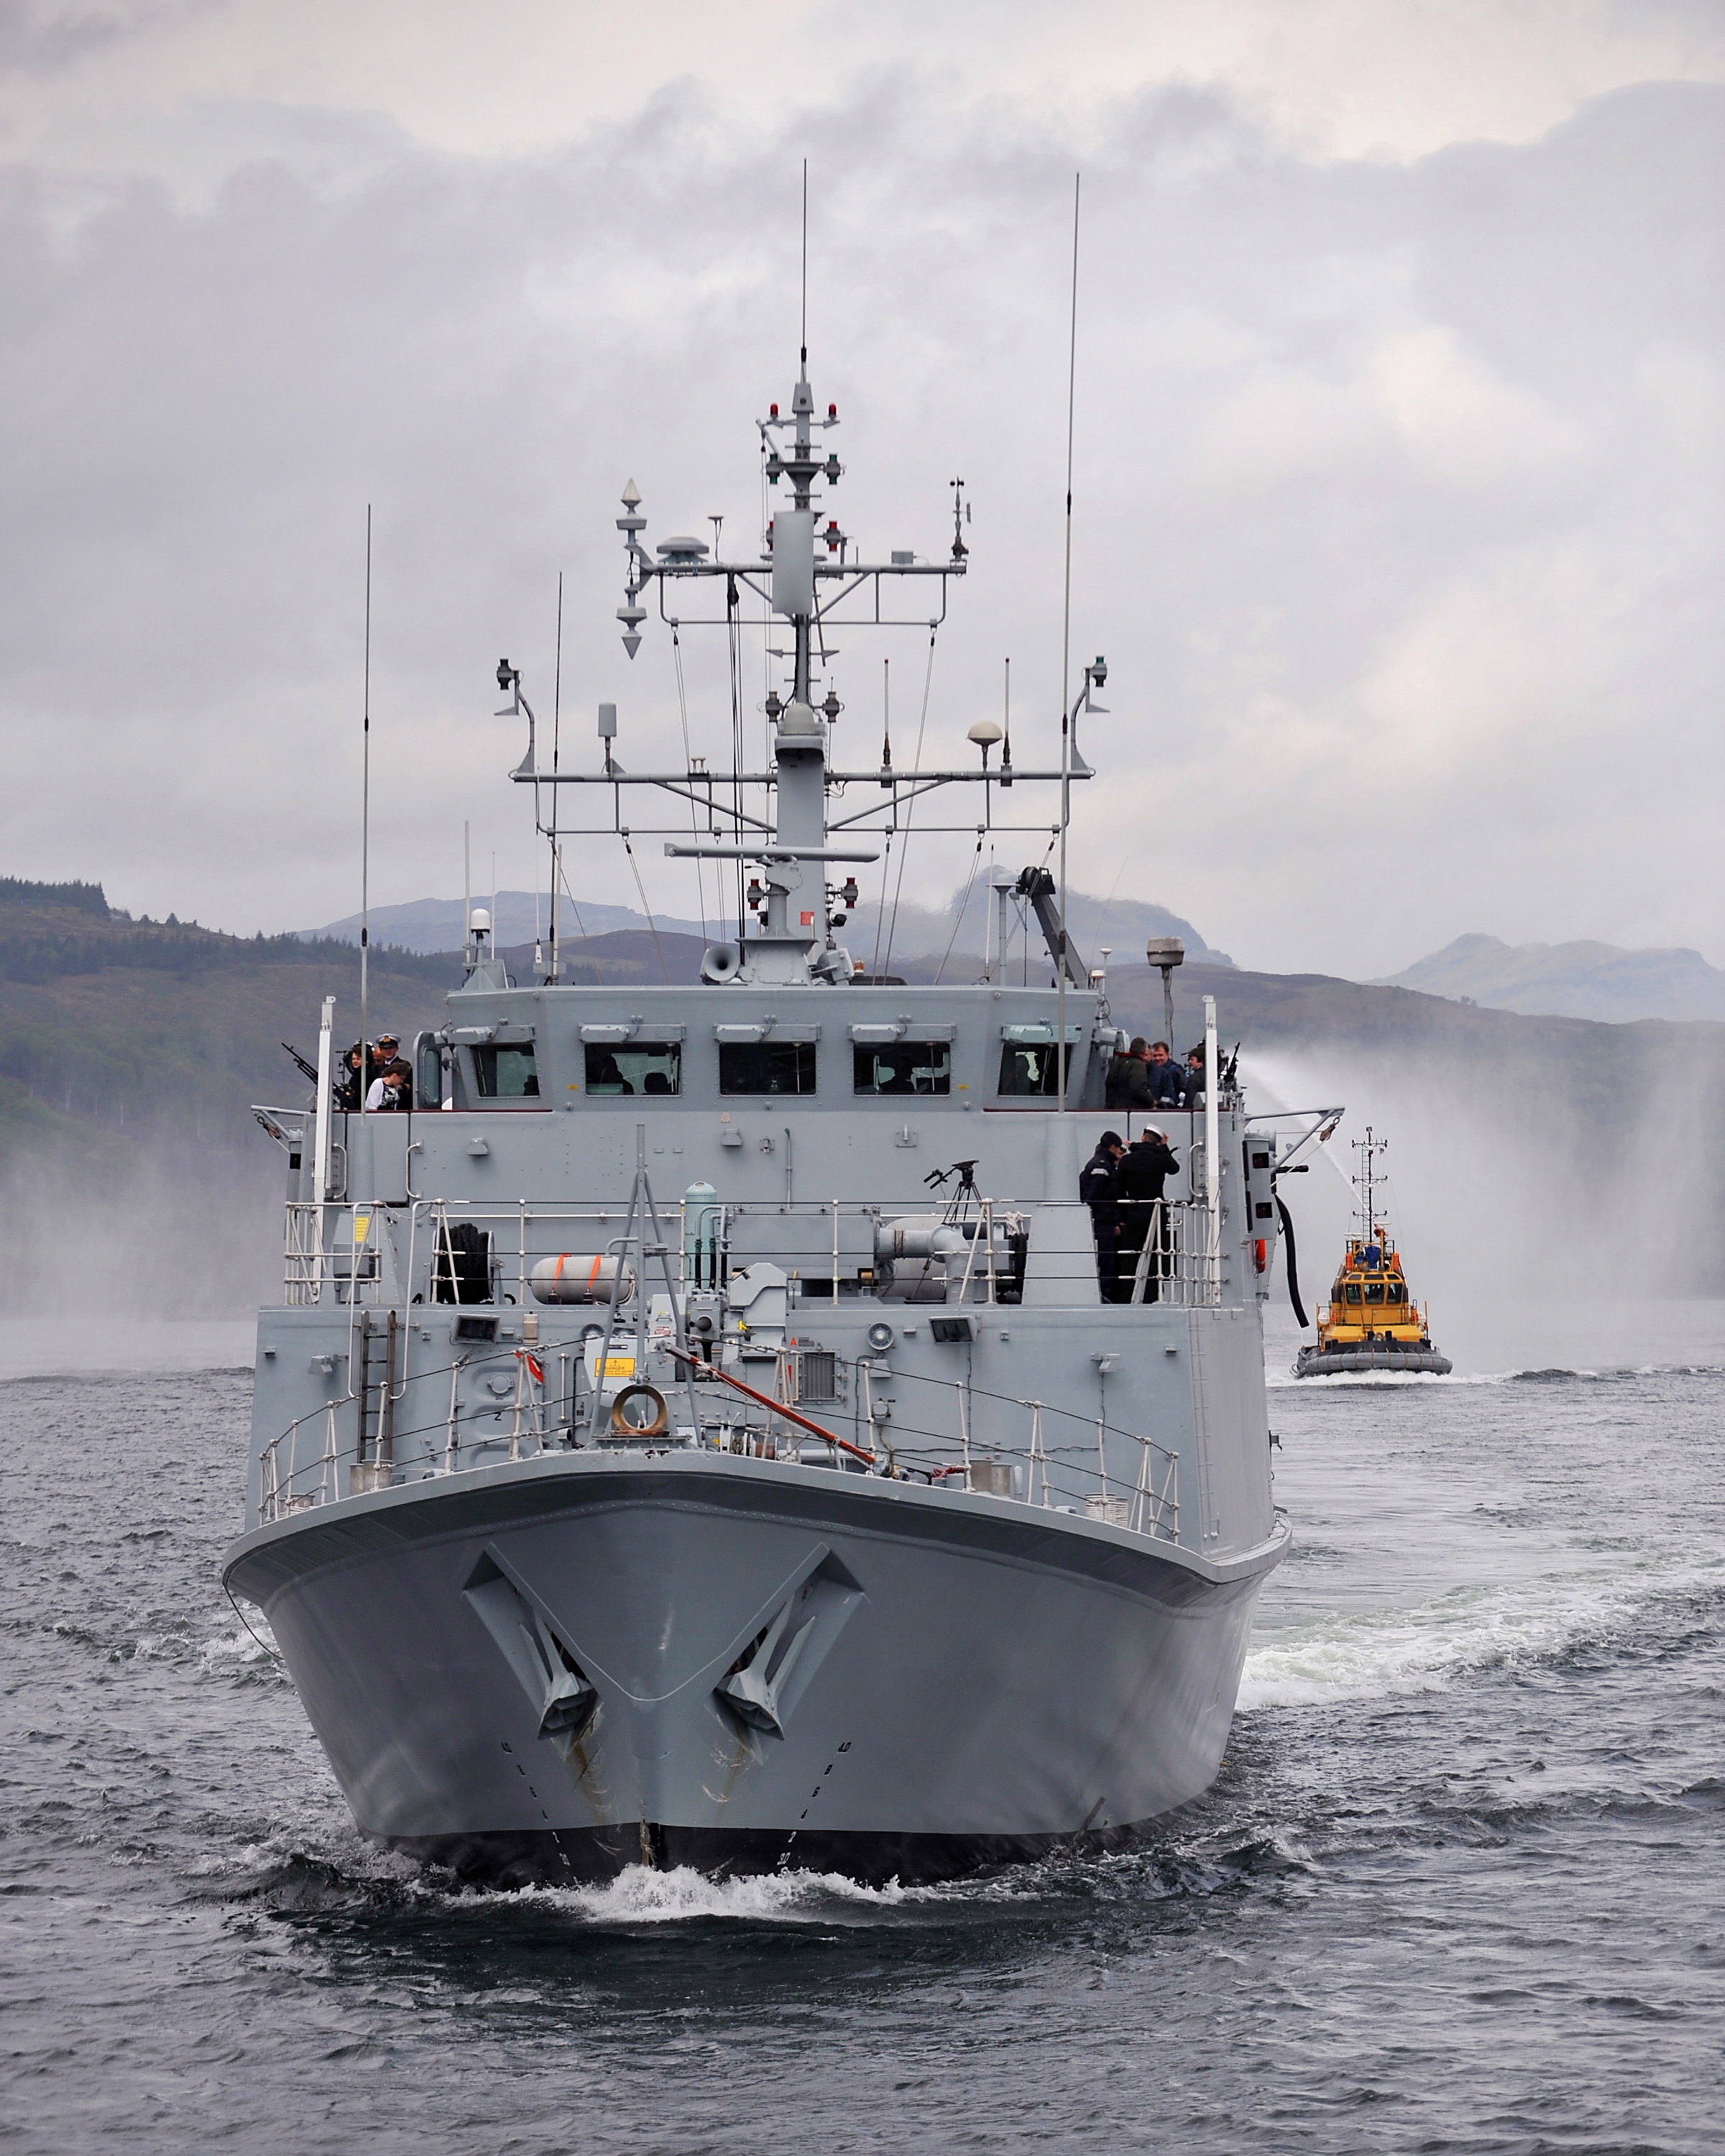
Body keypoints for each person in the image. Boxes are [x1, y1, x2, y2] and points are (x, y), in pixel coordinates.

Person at [1115, 1127, 1179, 1302]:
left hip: (1133, 1213)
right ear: (1159, 1141)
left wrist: (1121, 1218)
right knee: (1156, 1255)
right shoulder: (1160, 1158)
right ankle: (1152, 1296)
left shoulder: (1127, 1160)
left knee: (1130, 1256)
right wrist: (1164, 1148)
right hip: (1156, 1212)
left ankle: (1126, 1297)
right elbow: (1174, 1168)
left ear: (1143, 1137)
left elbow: (1119, 1190)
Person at [1079, 1130, 1126, 1302]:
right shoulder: (1101, 1166)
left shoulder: (1102, 1163)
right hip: (1102, 1222)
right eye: (1118, 1148)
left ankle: (1103, 1293)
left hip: (1102, 1220)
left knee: (1105, 1259)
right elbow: (1096, 1196)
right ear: (1113, 1147)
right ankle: (1103, 1295)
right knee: (1105, 1259)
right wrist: (1110, 1220)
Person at [1103, 1037, 1153, 1115]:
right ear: (1145, 1051)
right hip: (1131, 1112)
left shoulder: (1118, 1062)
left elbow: (1108, 1082)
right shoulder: (1138, 1065)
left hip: (1112, 1110)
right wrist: (1152, 1101)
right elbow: (1138, 1088)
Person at [1144, 1040, 1184, 1109]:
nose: (1157, 1058)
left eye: (1160, 1055)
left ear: (1167, 1055)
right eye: (1155, 1056)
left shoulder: (1176, 1071)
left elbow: (1184, 1092)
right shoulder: (1148, 1071)